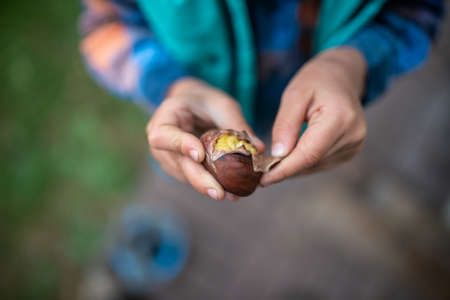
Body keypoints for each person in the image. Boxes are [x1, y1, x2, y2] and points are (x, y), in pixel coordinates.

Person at [79, 0, 444, 201]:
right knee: (185, 161)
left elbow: (417, 8)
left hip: (307, 92)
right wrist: (171, 86)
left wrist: (351, 62)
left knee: (288, 146)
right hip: (196, 113)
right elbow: (107, 28)